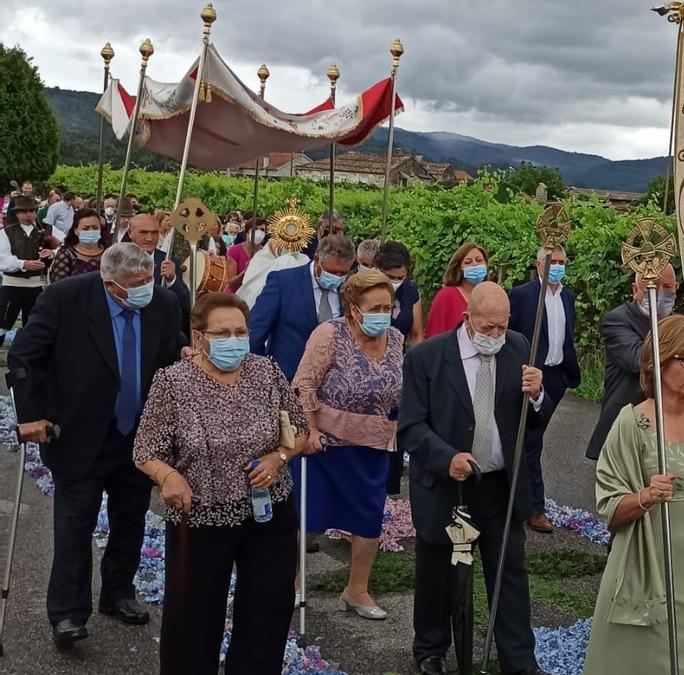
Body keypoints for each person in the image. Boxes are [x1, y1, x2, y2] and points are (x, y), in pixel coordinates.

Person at [8, 243, 183, 649]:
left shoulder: (162, 303)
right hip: (79, 431)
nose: (145, 290)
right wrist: (29, 415)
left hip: (138, 435)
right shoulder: (65, 298)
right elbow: (24, 356)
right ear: (110, 283)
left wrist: (188, 353)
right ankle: (68, 612)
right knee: (75, 524)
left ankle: (118, 592)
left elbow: (170, 347)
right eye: (135, 285)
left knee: (131, 518)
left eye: (148, 281)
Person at [132, 292, 308, 674]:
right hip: (200, 518)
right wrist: (169, 475)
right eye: (223, 332)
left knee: (267, 611)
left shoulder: (266, 372)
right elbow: (145, 449)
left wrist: (278, 459)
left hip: (267, 514)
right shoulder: (173, 382)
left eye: (241, 331)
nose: (234, 340)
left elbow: (299, 431)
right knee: (193, 617)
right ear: (199, 338)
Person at [398, 281, 548, 675]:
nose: (496, 336)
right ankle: (431, 648)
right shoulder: (427, 358)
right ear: (468, 319)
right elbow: (411, 428)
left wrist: (537, 395)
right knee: (438, 575)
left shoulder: (518, 348)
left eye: (502, 327)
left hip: (500, 486)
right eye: (488, 328)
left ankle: (518, 659)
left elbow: (533, 425)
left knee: (509, 574)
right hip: (449, 487)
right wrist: (446, 458)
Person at [583, 315, 684, 674]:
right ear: (658, 362)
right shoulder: (631, 423)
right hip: (645, 565)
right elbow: (609, 506)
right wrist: (645, 496)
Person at [292, 269, 404, 620]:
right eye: (374, 307)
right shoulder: (330, 334)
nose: (382, 314)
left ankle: (356, 590)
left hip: (373, 444)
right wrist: (308, 430)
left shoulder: (397, 338)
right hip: (326, 443)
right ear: (353, 307)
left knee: (367, 519)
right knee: (309, 517)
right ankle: (290, 581)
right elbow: (303, 385)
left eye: (387, 306)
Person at [583, 265, 684, 460]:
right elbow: (639, 360)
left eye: (668, 286)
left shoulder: (673, 321)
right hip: (629, 426)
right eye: (652, 287)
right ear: (636, 290)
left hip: (674, 427)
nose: (660, 293)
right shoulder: (618, 320)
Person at [508, 245, 580, 533]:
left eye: (563, 261)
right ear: (539, 266)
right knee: (531, 439)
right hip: (530, 376)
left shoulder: (567, 297)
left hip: (555, 377)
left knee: (531, 439)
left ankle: (522, 499)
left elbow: (566, 337)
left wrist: (564, 376)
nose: (558, 266)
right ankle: (534, 506)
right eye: (553, 262)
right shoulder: (523, 295)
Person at [249, 234, 354, 380]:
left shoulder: (349, 290)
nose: (337, 277)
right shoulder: (283, 282)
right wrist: (261, 373)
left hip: (332, 384)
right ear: (317, 259)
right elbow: (255, 332)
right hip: (285, 380)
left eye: (343, 273)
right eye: (331, 271)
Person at [374, 241, 423, 495]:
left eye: (400, 277)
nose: (395, 282)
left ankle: (387, 490)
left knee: (394, 432)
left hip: (397, 371)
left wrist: (415, 371)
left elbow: (415, 334)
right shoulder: (362, 288)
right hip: (366, 368)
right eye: (390, 277)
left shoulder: (410, 293)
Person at [0, 194, 63, 348]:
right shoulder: (6, 232)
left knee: (33, 326)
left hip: (37, 286)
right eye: (24, 211)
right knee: (2, 324)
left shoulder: (48, 229)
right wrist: (23, 264)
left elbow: (66, 244)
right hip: (12, 285)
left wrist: (54, 253)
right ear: (17, 213)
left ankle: (26, 362)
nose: (28, 214)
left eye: (31, 211)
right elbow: (2, 258)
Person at [128, 213, 191, 339]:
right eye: (143, 233)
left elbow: (185, 303)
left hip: (160, 331)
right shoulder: (118, 259)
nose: (149, 238)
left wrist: (172, 280)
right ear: (130, 233)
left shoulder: (168, 260)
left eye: (154, 233)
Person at [424, 241, 488, 338]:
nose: (475, 265)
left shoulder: (491, 296)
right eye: (468, 262)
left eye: (479, 260)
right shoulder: (446, 296)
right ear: (459, 268)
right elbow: (434, 336)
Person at [49, 207, 111, 283]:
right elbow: (58, 287)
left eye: (95, 228)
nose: (91, 231)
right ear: (76, 231)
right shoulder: (66, 255)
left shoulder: (109, 253)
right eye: (86, 228)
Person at [225, 218, 266, 292]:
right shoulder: (234, 251)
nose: (259, 232)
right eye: (255, 229)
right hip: (236, 296)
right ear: (247, 232)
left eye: (262, 230)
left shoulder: (266, 252)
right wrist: (245, 272)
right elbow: (231, 282)